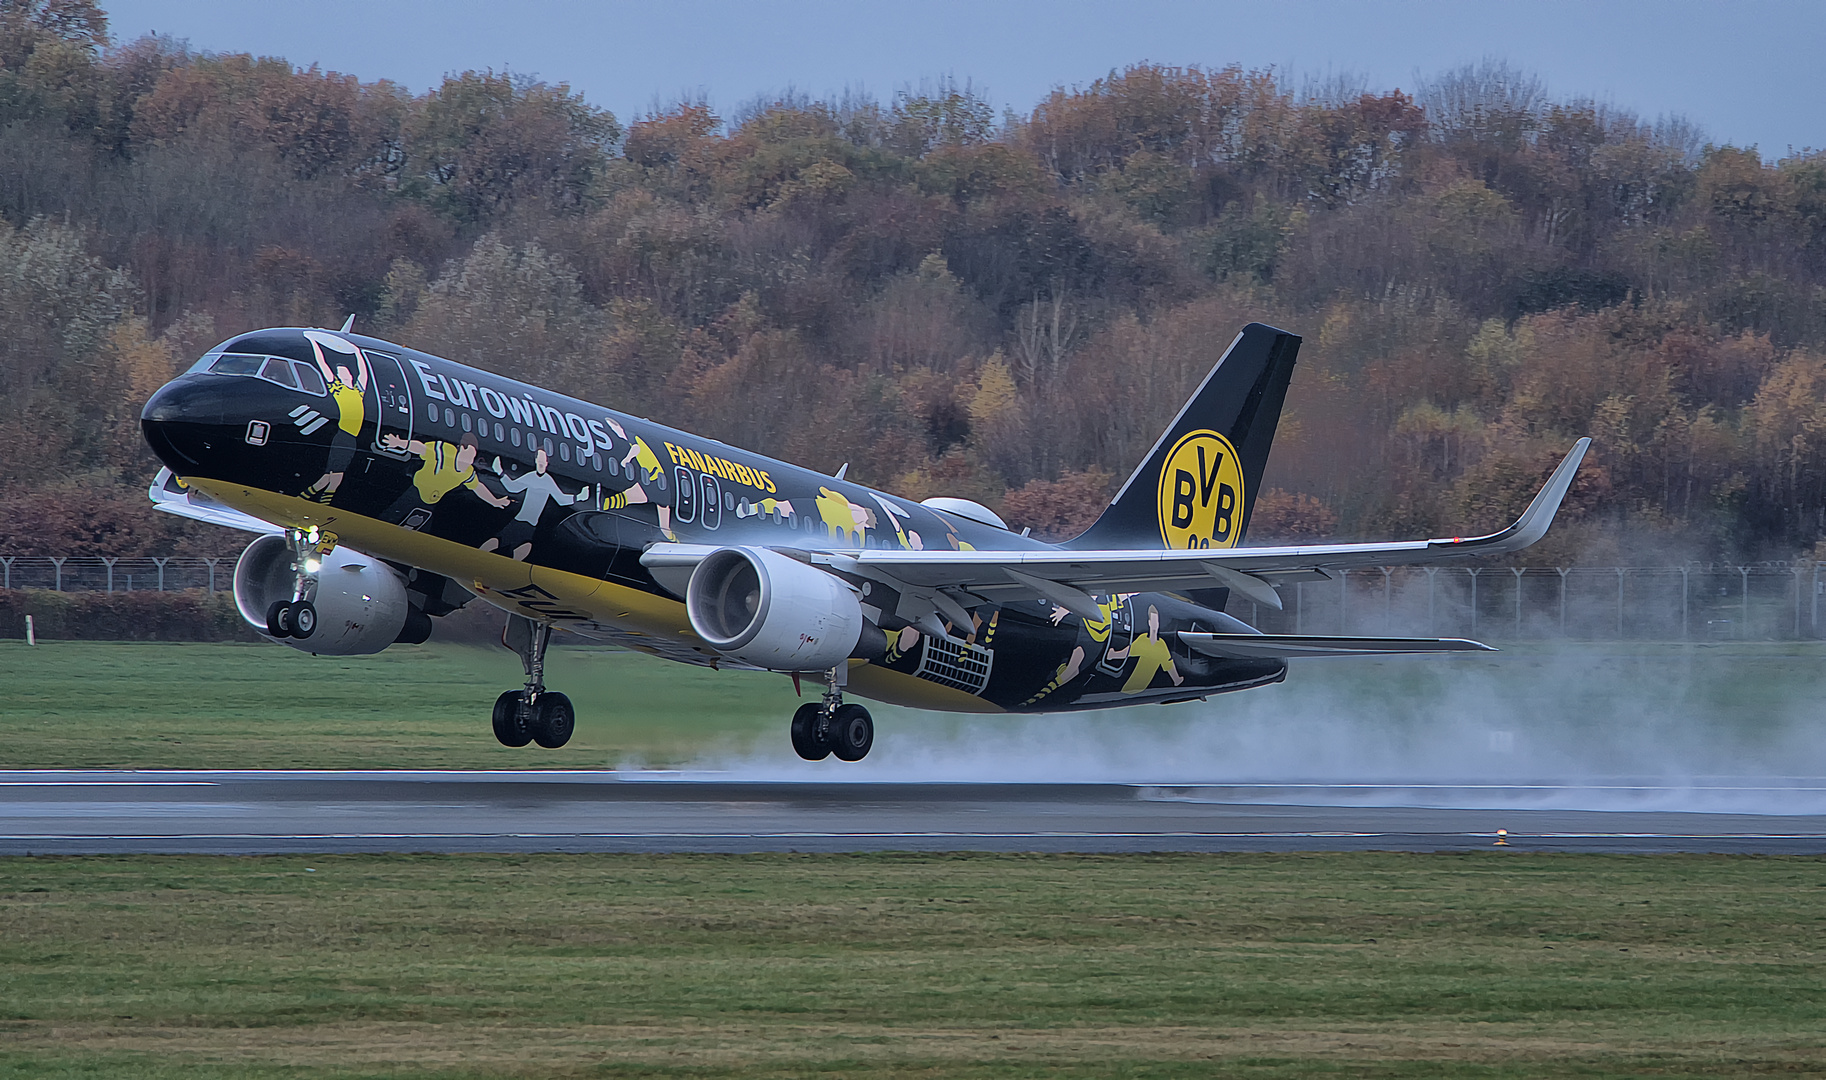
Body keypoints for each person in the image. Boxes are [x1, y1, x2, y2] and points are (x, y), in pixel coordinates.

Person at [379, 432, 511, 526]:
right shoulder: (445, 452)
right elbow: (421, 449)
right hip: (416, 489)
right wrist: (400, 443)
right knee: (394, 513)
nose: (470, 460)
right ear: (460, 449)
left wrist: (495, 501)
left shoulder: (467, 472)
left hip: (432, 501)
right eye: (469, 454)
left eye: (473, 456)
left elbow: (478, 487)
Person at [302, 336, 370, 504]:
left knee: (330, 475)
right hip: (344, 436)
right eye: (341, 373)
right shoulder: (337, 388)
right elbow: (323, 365)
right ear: (339, 377)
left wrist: (357, 353)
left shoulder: (357, 391)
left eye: (347, 371)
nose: (345, 373)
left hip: (351, 438)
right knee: (337, 475)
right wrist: (314, 343)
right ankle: (323, 501)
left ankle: (305, 497)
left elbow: (364, 373)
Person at [482, 448, 576, 561]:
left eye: (543, 460)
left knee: (524, 548)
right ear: (536, 460)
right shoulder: (531, 476)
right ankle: (474, 558)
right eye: (539, 459)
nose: (541, 462)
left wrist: (579, 497)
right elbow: (513, 488)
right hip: (520, 520)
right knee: (497, 542)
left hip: (531, 524)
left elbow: (561, 499)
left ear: (547, 463)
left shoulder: (548, 480)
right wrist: (500, 473)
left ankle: (508, 571)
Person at [1121, 605, 1185, 694]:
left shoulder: (1161, 645)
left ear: (1158, 624)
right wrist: (1113, 654)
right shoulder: (1143, 640)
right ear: (1149, 623)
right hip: (1130, 687)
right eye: (1153, 621)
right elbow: (1127, 652)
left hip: (1140, 689)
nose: (1155, 624)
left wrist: (1177, 679)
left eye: (1156, 622)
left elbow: (1169, 665)